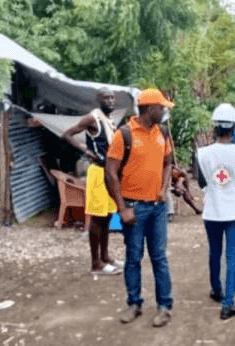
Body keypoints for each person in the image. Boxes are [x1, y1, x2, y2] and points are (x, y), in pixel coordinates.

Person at [104, 89, 175, 328]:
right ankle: (134, 303)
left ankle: (164, 307)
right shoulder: (123, 135)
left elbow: (168, 163)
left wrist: (164, 188)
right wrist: (121, 208)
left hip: (157, 209)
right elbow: (110, 173)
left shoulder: (162, 132)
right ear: (149, 109)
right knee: (134, 258)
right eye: (161, 107)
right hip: (133, 208)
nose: (164, 111)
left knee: (159, 258)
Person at [195, 103, 235, 320]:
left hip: (212, 211)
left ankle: (216, 289)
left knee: (214, 252)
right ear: (234, 128)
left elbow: (201, 182)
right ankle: (228, 304)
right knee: (233, 255)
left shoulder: (202, 153)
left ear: (215, 128)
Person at [61, 88, 124, 275]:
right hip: (98, 173)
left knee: (106, 216)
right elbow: (66, 135)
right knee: (97, 218)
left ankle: (106, 257)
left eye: (113, 97)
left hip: (110, 173)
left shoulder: (109, 120)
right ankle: (96, 263)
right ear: (98, 100)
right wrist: (87, 152)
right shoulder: (92, 118)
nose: (111, 101)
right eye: (106, 98)